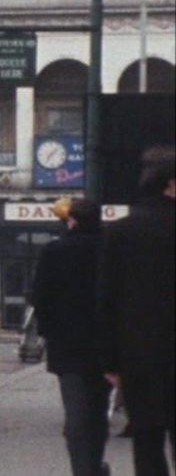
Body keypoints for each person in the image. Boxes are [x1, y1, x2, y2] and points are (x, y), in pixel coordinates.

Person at [98, 146, 175, 476]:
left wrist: (110, 361)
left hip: (140, 355)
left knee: (146, 441)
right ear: (171, 184)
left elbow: (106, 300)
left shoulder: (121, 232)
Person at [33, 198, 111, 476]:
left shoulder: (55, 251)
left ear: (72, 220)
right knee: (99, 411)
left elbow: (40, 297)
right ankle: (95, 463)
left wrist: (48, 332)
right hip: (104, 346)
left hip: (67, 346)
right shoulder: (108, 249)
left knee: (76, 413)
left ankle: (82, 469)